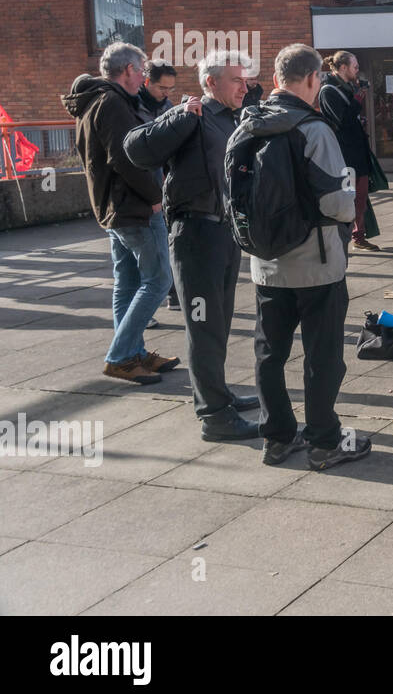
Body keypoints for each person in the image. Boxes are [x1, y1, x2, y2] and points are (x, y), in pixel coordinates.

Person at [238, 44, 370, 470]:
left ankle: (276, 438)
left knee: (269, 354)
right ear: (314, 79)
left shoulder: (248, 126)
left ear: (277, 79)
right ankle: (324, 442)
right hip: (316, 265)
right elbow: (336, 203)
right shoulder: (315, 130)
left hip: (266, 265)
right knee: (322, 356)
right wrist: (351, 204)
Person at [123, 50, 261, 442]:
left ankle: (220, 394)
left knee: (219, 324)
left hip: (225, 233)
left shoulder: (233, 118)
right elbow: (136, 148)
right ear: (212, 82)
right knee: (203, 328)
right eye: (236, 80)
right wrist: (179, 115)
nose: (244, 86)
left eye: (245, 79)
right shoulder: (193, 116)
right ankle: (214, 416)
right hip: (195, 236)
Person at [61, 43, 176, 386]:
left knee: (127, 282)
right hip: (134, 207)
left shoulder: (100, 99)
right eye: (141, 69)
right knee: (158, 281)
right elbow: (126, 158)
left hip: (117, 206)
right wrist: (156, 198)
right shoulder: (111, 102)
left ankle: (134, 352)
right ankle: (121, 355)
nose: (144, 76)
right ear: (127, 70)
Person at [321, 50, 379, 253]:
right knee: (347, 199)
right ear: (343, 67)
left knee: (360, 199)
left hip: (358, 153)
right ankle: (343, 238)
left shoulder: (347, 88)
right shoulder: (328, 91)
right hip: (344, 157)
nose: (358, 70)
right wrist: (357, 98)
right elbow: (342, 120)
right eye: (355, 66)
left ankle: (358, 236)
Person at [138, 60, 181, 316]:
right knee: (147, 255)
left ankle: (173, 294)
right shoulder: (134, 106)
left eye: (170, 89)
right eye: (162, 88)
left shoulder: (166, 106)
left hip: (163, 184)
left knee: (166, 243)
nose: (166, 93)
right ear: (147, 83)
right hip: (143, 188)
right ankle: (145, 310)